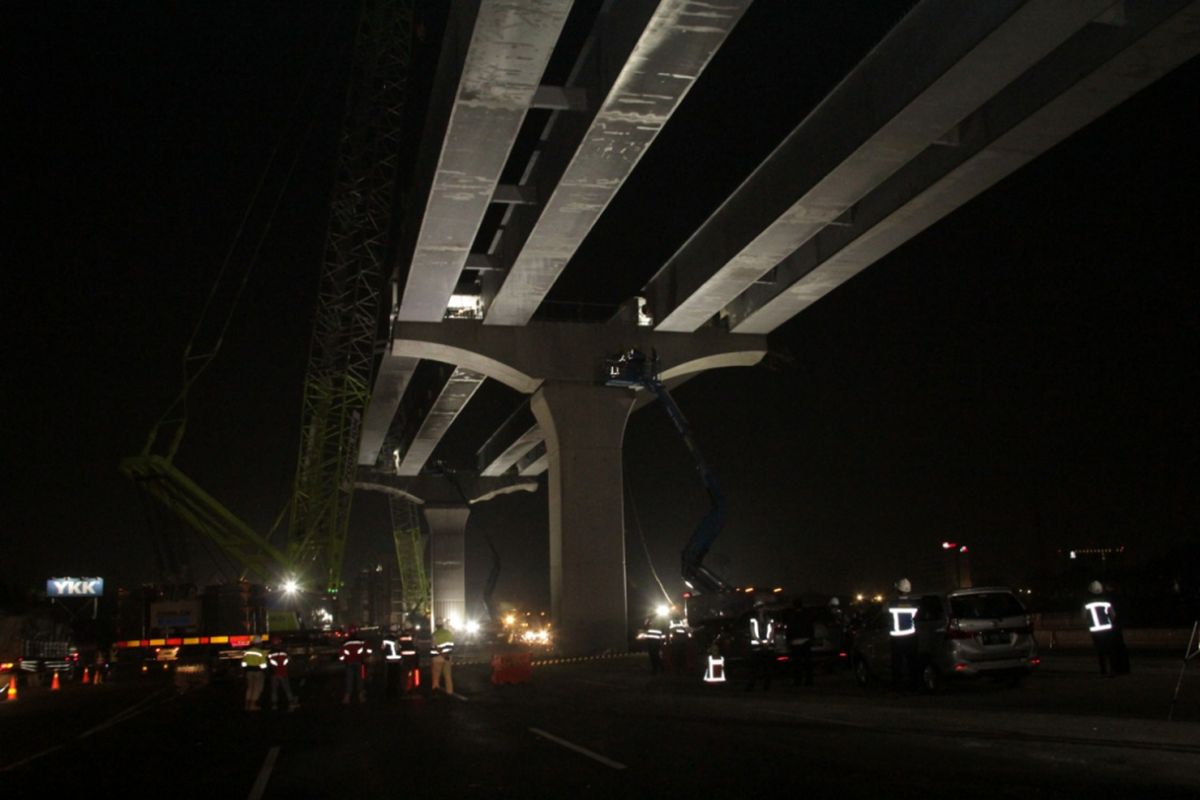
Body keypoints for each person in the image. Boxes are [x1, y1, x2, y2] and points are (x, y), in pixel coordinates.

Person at [1083, 581, 1130, 676]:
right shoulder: (1106, 601)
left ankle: (1103, 670)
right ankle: (1113, 669)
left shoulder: (1086, 603)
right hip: (1107, 629)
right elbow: (1113, 615)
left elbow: (1084, 616)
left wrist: (1089, 624)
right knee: (1109, 650)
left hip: (1095, 630)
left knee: (1100, 651)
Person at [888, 578, 920, 688]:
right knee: (912, 662)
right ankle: (914, 684)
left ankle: (898, 686)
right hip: (911, 636)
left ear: (898, 590)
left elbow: (884, 612)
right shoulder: (913, 603)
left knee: (897, 663)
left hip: (897, 638)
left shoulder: (892, 603)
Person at [745, 601, 777, 691]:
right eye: (759, 608)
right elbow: (753, 633)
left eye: (762, 607)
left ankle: (766, 686)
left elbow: (772, 631)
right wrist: (761, 642)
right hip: (757, 647)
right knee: (755, 668)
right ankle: (751, 685)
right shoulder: (753, 619)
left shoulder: (769, 619)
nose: (761, 609)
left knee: (767, 668)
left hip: (767, 647)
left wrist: (768, 642)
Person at [783, 597, 814, 687]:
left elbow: (789, 629)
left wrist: (789, 640)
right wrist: (810, 638)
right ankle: (808, 680)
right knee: (807, 663)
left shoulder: (792, 616)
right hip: (805, 641)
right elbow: (810, 628)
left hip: (796, 642)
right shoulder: (806, 615)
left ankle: (798, 680)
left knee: (797, 664)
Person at [339, 626, 371, 704]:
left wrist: (343, 660)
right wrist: (366, 657)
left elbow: (341, 654)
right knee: (360, 679)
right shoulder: (361, 641)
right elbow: (368, 650)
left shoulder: (345, 642)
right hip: (360, 662)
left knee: (349, 679)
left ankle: (347, 697)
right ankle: (361, 696)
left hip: (349, 663)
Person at [267, 637, 298, 711]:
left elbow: (269, 663)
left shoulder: (270, 653)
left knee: (274, 690)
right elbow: (288, 661)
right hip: (283, 673)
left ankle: (274, 705)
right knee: (287, 688)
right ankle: (291, 702)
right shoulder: (284, 652)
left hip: (274, 674)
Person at [240, 637, 268, 711]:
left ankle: (246, 705)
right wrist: (266, 672)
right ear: (259, 643)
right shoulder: (260, 652)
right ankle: (253, 705)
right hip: (258, 673)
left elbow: (243, 664)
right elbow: (263, 666)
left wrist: (244, 672)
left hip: (249, 672)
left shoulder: (247, 652)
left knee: (249, 688)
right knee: (256, 689)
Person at [431, 620, 455, 695]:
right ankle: (449, 692)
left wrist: (442, 654)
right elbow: (451, 645)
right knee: (447, 676)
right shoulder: (449, 633)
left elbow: (435, 646)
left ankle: (436, 691)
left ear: (436, 626)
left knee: (436, 676)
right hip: (447, 657)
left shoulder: (434, 634)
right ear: (443, 625)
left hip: (437, 658)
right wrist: (446, 655)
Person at [381, 630, 403, 699]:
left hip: (388, 660)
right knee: (396, 676)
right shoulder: (396, 639)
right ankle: (395, 690)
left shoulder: (385, 639)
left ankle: (389, 690)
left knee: (388, 676)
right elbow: (398, 649)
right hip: (396, 660)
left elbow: (382, 648)